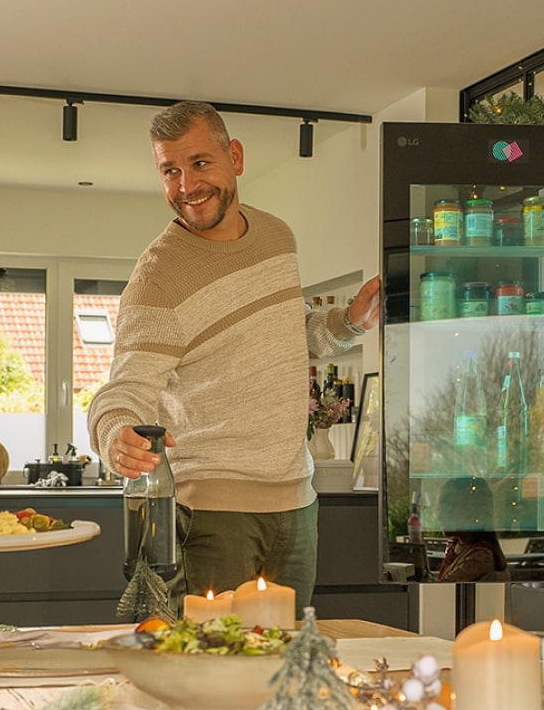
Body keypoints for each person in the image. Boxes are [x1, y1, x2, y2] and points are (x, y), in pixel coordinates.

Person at [88, 101, 381, 610]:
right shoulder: (158, 275)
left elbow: (291, 336)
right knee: (209, 674)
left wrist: (349, 322)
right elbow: (124, 389)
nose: (186, 185)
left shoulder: (276, 237)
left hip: (298, 503)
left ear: (236, 157)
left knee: (286, 668)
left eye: (200, 163)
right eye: (170, 171)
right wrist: (115, 435)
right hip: (212, 514)